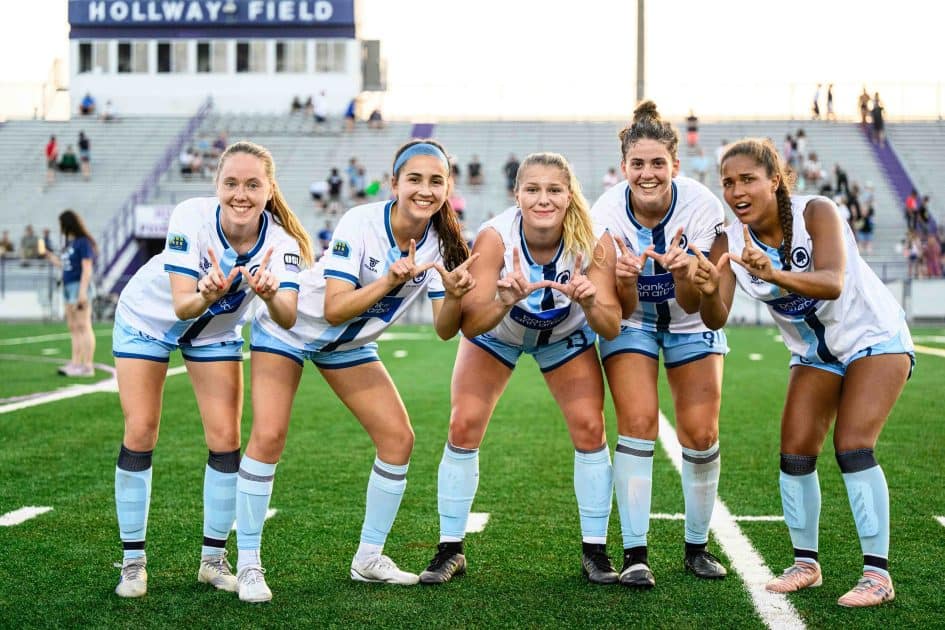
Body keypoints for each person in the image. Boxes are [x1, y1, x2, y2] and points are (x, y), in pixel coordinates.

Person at [237, 139, 474, 602]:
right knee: (268, 436)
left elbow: (447, 331)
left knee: (398, 440)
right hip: (291, 328)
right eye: (415, 179)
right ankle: (248, 564)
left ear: (448, 187)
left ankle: (368, 558)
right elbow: (331, 308)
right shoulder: (361, 221)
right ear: (394, 183)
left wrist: (458, 292)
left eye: (436, 181)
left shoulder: (445, 241)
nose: (425, 190)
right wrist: (389, 280)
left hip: (348, 345)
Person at [693, 137, 914, 608]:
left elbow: (832, 282)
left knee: (852, 446)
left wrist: (774, 275)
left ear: (774, 179)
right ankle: (806, 565)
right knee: (794, 453)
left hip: (873, 338)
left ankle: (877, 575)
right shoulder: (730, 240)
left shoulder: (817, 212)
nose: (736, 191)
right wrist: (710, 288)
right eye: (728, 183)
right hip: (815, 355)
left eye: (748, 179)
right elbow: (715, 316)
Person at [109, 141, 312, 599]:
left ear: (269, 189)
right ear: (217, 185)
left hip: (212, 332)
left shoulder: (281, 244)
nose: (241, 194)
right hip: (148, 320)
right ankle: (132, 563)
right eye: (232, 183)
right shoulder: (191, 216)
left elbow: (288, 315)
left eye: (253, 185)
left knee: (225, 440)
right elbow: (183, 304)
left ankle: (213, 560)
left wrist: (267, 291)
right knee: (141, 430)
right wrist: (208, 291)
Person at [418, 151, 621, 586]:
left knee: (590, 427)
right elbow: (471, 326)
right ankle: (450, 548)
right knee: (463, 424)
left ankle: (596, 551)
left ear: (570, 195)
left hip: (564, 336)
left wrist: (590, 302)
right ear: (517, 195)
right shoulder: (496, 236)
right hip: (499, 334)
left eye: (553, 190)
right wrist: (504, 302)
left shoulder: (594, 240)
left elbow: (612, 325)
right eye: (533, 189)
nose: (543, 199)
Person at [590, 100, 729, 588]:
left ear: (674, 163)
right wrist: (627, 281)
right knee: (639, 423)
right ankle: (635, 553)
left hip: (690, 323)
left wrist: (689, 274)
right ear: (624, 166)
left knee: (701, 434)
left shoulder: (703, 208)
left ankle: (697, 547)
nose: (647, 174)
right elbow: (618, 312)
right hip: (634, 323)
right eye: (637, 164)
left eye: (657, 164)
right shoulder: (604, 214)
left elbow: (711, 310)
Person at [44, 210, 97, 377]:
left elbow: (87, 268)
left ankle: (87, 366)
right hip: (68, 287)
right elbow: (64, 266)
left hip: (78, 287)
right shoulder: (70, 244)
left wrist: (82, 293)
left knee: (84, 325)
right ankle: (75, 363)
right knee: (73, 327)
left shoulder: (83, 243)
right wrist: (48, 256)